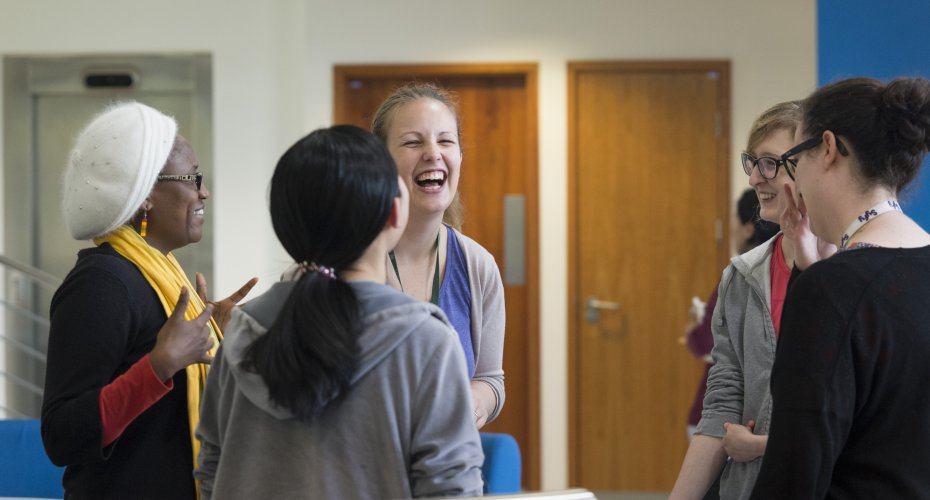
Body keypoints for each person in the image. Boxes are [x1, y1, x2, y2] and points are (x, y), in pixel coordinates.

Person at [194, 125, 484, 499]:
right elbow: (452, 488)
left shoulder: (241, 331)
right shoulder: (425, 341)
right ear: (395, 212)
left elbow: (213, 468)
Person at [40, 102, 256, 498]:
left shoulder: (160, 277)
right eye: (192, 177)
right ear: (145, 196)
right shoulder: (101, 283)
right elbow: (61, 436)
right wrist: (158, 366)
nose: (204, 190)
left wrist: (213, 333)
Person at [750, 77, 930, 499]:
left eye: (794, 161)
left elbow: (795, 471)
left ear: (827, 149)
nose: (794, 186)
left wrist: (813, 281)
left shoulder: (832, 291)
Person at [670, 100, 817, 500]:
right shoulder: (740, 276)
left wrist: (765, 445)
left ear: (813, 166)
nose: (754, 178)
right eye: (751, 162)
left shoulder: (861, 271)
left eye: (768, 162)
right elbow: (722, 405)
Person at [371, 82, 505, 428]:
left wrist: (474, 400)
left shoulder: (478, 266)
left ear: (459, 156)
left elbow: (491, 380)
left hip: (447, 470)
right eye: (413, 142)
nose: (433, 153)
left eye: (445, 141)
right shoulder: (346, 260)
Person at [684, 189, 779, 439]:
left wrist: (693, 332)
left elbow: (706, 342)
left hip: (725, 419)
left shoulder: (739, 276)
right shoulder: (783, 274)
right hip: (765, 422)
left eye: (735, 223)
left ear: (748, 229)